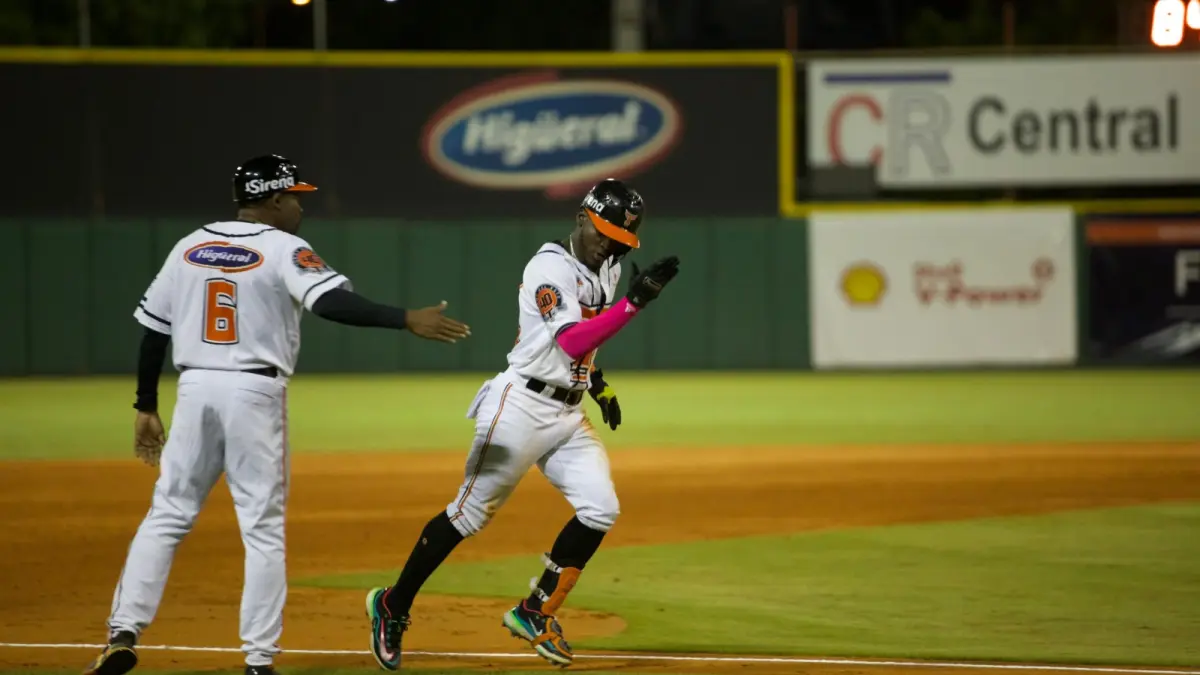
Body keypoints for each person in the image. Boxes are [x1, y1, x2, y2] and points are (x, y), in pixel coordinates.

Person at [82, 154, 471, 675]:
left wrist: (146, 405)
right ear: (271, 199)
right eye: (294, 197)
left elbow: (154, 328)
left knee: (168, 515)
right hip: (253, 392)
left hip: (194, 388)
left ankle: (122, 635)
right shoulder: (286, 247)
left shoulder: (189, 245)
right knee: (261, 528)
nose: (299, 206)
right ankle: (259, 661)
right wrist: (404, 319)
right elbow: (330, 303)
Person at [364, 178, 681, 671]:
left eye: (620, 239)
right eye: (603, 233)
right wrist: (633, 305)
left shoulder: (609, 267)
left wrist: (598, 384)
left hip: (567, 412)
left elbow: (583, 350)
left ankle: (535, 610)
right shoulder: (548, 267)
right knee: (468, 516)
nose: (610, 245)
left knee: (600, 508)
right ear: (581, 217)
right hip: (520, 406)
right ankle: (392, 604)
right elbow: (571, 340)